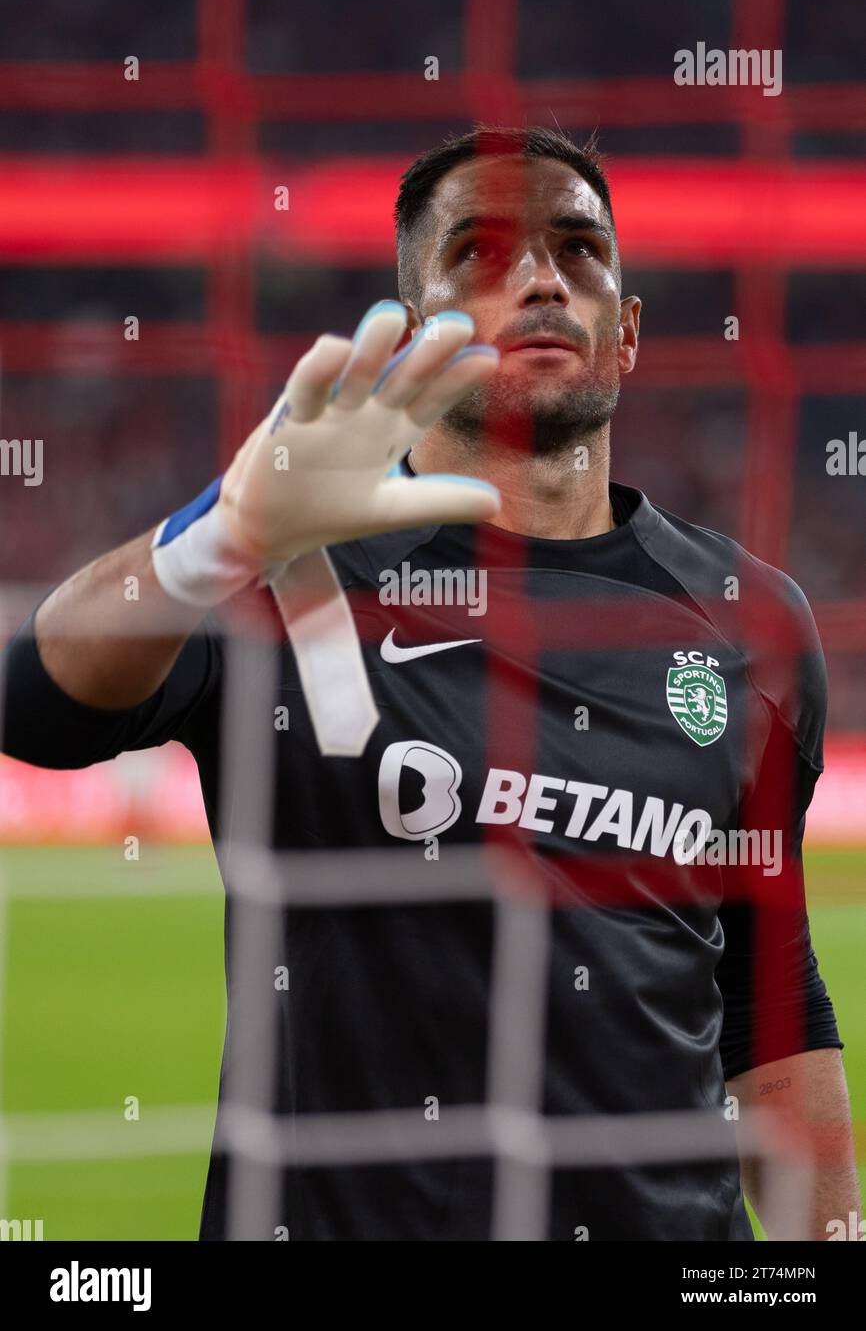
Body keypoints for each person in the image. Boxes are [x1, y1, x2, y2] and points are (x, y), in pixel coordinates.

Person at [2, 126, 857, 1241]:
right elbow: (35, 708)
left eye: (577, 249)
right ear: (412, 336)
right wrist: (206, 543)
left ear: (629, 331)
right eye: (481, 252)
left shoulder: (754, 620)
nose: (542, 278)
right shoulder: (287, 574)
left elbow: (768, 1006)